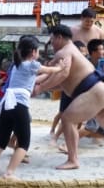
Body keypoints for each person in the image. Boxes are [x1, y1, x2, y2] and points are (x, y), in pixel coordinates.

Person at [0, 35, 66, 179]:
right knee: (23, 144)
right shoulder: (32, 64)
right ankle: (9, 172)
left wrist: (52, 73)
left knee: (0, 143)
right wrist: (60, 68)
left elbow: (36, 79)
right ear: (34, 52)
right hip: (19, 106)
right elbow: (48, 70)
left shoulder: (17, 66)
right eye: (38, 50)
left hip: (6, 105)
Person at [33, 24, 104, 170]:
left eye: (52, 39)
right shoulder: (69, 51)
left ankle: (73, 160)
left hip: (92, 91)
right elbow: (59, 80)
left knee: (68, 119)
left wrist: (40, 88)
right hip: (95, 90)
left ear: (59, 37)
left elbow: (62, 74)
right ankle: (72, 159)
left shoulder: (64, 52)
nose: (51, 42)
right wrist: (39, 85)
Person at [49, 40, 87, 146]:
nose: (85, 53)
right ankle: (54, 132)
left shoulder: (84, 62)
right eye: (83, 51)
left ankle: (73, 134)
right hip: (68, 91)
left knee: (78, 115)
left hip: (79, 92)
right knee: (63, 113)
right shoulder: (68, 60)